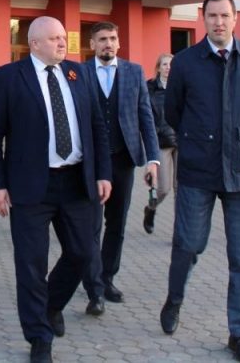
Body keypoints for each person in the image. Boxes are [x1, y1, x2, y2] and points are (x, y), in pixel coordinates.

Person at [0, 16, 111, 363]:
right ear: (34, 44)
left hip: (76, 182)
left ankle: (51, 305)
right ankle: (39, 336)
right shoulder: (10, 77)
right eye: (54, 38)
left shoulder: (77, 73)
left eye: (63, 37)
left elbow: (96, 126)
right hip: (30, 186)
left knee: (83, 253)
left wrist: (103, 173)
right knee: (31, 263)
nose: (62, 43)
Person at [159, 0, 240, 363]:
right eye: (212, 16)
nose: (219, 22)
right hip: (198, 171)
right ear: (203, 19)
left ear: (235, 18)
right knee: (189, 244)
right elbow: (173, 111)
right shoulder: (186, 62)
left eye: (225, 15)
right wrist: (200, 140)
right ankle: (175, 298)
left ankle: (239, 334)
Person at [80, 21, 159, 317]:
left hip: (123, 158)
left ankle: (107, 277)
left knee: (117, 223)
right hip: (90, 162)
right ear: (92, 44)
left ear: (119, 42)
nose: (108, 44)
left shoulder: (134, 72)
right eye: (102, 39)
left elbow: (145, 117)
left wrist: (153, 159)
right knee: (91, 225)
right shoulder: (79, 73)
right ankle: (93, 288)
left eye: (112, 38)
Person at [145, 52, 177, 234]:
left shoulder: (181, 86)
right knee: (163, 188)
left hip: (182, 140)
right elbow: (145, 115)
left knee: (181, 190)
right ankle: (150, 209)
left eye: (171, 65)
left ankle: (179, 231)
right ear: (158, 68)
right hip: (162, 141)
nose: (168, 68)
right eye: (164, 64)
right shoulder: (149, 88)